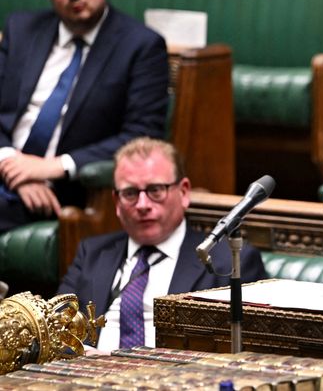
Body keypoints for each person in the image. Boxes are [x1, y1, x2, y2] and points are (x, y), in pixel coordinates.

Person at [0, 0, 170, 232]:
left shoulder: (140, 46)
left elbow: (142, 134)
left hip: (66, 190)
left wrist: (55, 166)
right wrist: (13, 167)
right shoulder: (22, 30)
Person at [58, 137, 267, 351]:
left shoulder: (230, 262)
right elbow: (56, 331)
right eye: (130, 193)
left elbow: (245, 350)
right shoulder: (92, 253)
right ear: (117, 203)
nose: (142, 205)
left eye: (155, 190)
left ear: (184, 192)